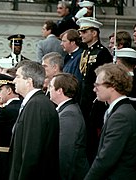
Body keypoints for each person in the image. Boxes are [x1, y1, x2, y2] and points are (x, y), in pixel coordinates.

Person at [85, 63, 136, 179]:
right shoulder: (121, 110)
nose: (94, 89)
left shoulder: (121, 116)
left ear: (113, 86)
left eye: (97, 85)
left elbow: (106, 158)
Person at [10, 61, 59, 179]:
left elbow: (31, 152)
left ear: (29, 82)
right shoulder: (36, 103)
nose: (14, 81)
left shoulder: (36, 105)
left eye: (17, 77)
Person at [77, 17, 113, 163]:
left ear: (94, 33)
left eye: (85, 32)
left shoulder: (102, 52)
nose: (81, 35)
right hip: (84, 99)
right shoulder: (85, 52)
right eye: (81, 32)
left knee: (92, 137)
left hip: (95, 100)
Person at [49, 73, 89, 180]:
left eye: (51, 87)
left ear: (60, 91)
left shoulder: (69, 114)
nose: (49, 90)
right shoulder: (67, 110)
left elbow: (65, 151)